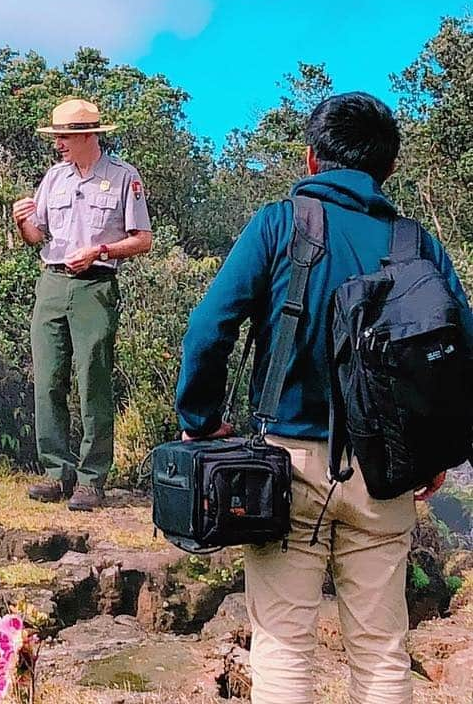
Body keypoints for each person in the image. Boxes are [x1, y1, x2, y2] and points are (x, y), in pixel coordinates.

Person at [176, 92, 472, 704]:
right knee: (382, 647)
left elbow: (209, 328)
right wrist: (435, 451)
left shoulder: (280, 224)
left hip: (285, 468)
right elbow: (460, 356)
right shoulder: (417, 244)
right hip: (386, 474)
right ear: (385, 169)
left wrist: (200, 422)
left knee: (284, 642)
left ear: (311, 160)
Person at [12, 98, 153, 511]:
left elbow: (142, 239)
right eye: (56, 136)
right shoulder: (54, 178)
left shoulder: (124, 177)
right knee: (48, 378)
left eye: (65, 137)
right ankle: (56, 473)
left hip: (95, 286)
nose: (58, 144)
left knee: (93, 379)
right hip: (52, 284)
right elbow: (36, 238)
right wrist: (22, 220)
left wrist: (101, 250)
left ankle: (92, 479)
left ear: (89, 136)